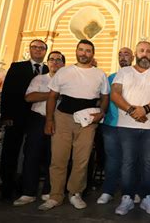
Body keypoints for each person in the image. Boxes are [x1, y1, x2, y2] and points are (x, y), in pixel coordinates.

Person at [39, 40, 109, 211]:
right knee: (58, 158)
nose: (84, 53)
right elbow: (52, 97)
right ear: (76, 51)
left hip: (87, 120)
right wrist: (49, 120)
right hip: (63, 118)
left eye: (88, 51)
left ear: (92, 53)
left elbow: (105, 96)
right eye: (81, 50)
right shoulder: (64, 72)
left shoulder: (100, 74)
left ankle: (75, 193)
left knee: (82, 159)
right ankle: (56, 195)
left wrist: (101, 113)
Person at [110, 41, 150, 215]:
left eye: (148, 51)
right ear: (136, 54)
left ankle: (147, 198)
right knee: (128, 162)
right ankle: (127, 197)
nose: (145, 54)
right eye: (142, 51)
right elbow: (115, 94)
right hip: (127, 125)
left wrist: (145, 109)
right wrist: (132, 110)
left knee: (148, 163)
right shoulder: (124, 72)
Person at [12, 51, 65, 206]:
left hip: (58, 121)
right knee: (32, 155)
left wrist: (46, 95)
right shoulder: (39, 78)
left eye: (58, 60)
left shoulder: (66, 81)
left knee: (54, 157)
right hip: (37, 120)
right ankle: (28, 192)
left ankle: (49, 191)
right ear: (48, 62)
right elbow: (29, 97)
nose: (55, 62)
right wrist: (53, 94)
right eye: (52, 59)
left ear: (63, 64)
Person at [0, 39, 49, 200]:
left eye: (42, 48)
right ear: (30, 49)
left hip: (37, 117)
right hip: (16, 116)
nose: (38, 50)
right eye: (35, 47)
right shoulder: (17, 67)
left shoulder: (48, 69)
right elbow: (7, 92)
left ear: (45, 51)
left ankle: (25, 186)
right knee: (11, 151)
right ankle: (6, 186)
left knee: (32, 152)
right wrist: (6, 115)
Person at [96, 47, 135, 205]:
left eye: (126, 54)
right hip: (111, 125)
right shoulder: (110, 77)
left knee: (131, 160)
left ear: (132, 57)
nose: (123, 57)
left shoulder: (138, 76)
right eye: (120, 54)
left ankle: (131, 192)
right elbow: (103, 99)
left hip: (131, 125)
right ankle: (108, 191)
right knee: (112, 160)